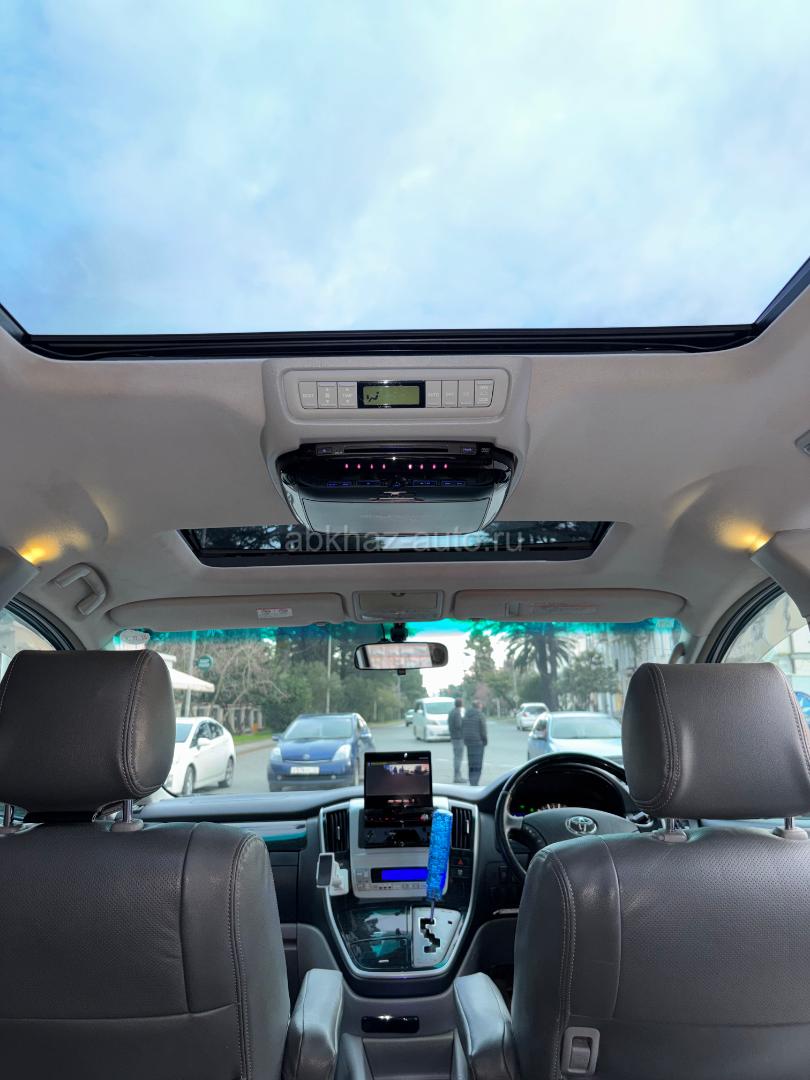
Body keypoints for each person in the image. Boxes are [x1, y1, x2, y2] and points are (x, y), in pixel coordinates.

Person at [462, 698, 487, 785]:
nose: (482, 706)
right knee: (478, 763)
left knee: (471, 762)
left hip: (469, 742)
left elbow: (463, 727)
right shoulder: (480, 715)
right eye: (481, 705)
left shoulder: (466, 715)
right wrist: (485, 740)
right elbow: (483, 730)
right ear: (478, 706)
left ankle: (471, 780)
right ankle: (475, 781)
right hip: (478, 742)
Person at [447, 697, 465, 783]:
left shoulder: (451, 712)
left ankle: (458, 776)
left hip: (453, 737)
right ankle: (457, 777)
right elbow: (459, 725)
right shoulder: (457, 713)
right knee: (458, 758)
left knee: (456, 757)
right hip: (458, 737)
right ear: (461, 704)